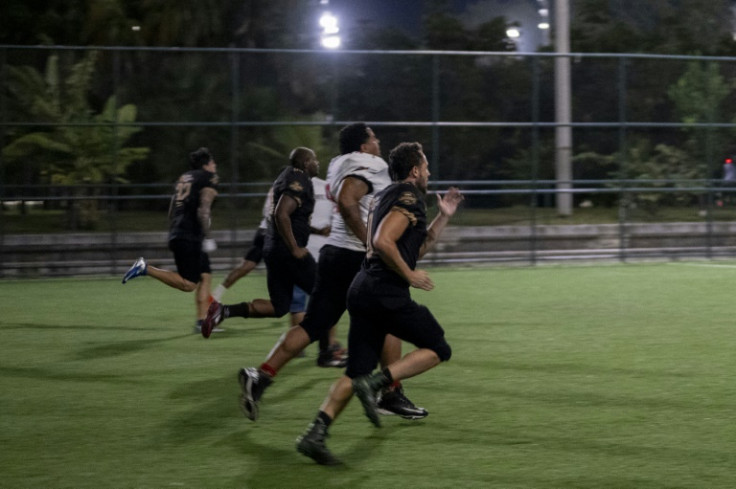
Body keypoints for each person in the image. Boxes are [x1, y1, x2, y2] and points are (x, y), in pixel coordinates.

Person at [226, 123, 426, 423]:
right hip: (357, 257)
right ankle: (390, 393)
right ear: (362, 146)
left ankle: (261, 376)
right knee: (392, 320)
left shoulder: (337, 163)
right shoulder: (370, 164)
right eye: (372, 138)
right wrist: (370, 243)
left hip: (333, 254)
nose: (378, 141)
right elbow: (347, 199)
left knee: (313, 324)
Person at [296, 141, 464, 466]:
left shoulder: (384, 195)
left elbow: (415, 246)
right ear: (415, 171)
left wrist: (443, 218)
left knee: (355, 370)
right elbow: (382, 242)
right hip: (384, 291)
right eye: (426, 167)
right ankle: (379, 383)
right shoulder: (409, 196)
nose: (429, 172)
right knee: (438, 349)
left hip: (362, 289)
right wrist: (410, 276)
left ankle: (314, 434)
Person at [201, 147, 326, 338]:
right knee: (325, 293)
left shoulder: (285, 176)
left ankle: (224, 311)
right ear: (306, 162)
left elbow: (290, 218)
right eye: (314, 159)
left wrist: (317, 231)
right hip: (288, 251)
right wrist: (294, 248)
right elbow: (281, 213)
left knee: (279, 307)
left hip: (274, 248)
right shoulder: (299, 178)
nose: (317, 163)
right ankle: (327, 347)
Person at [121, 147, 220, 333]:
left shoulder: (184, 178)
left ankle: (202, 322)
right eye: (213, 162)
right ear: (206, 165)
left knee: (205, 275)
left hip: (180, 231)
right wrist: (208, 236)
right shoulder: (208, 178)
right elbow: (204, 209)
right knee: (189, 284)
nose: (215, 166)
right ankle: (145, 268)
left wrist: (176, 230)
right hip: (190, 236)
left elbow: (172, 208)